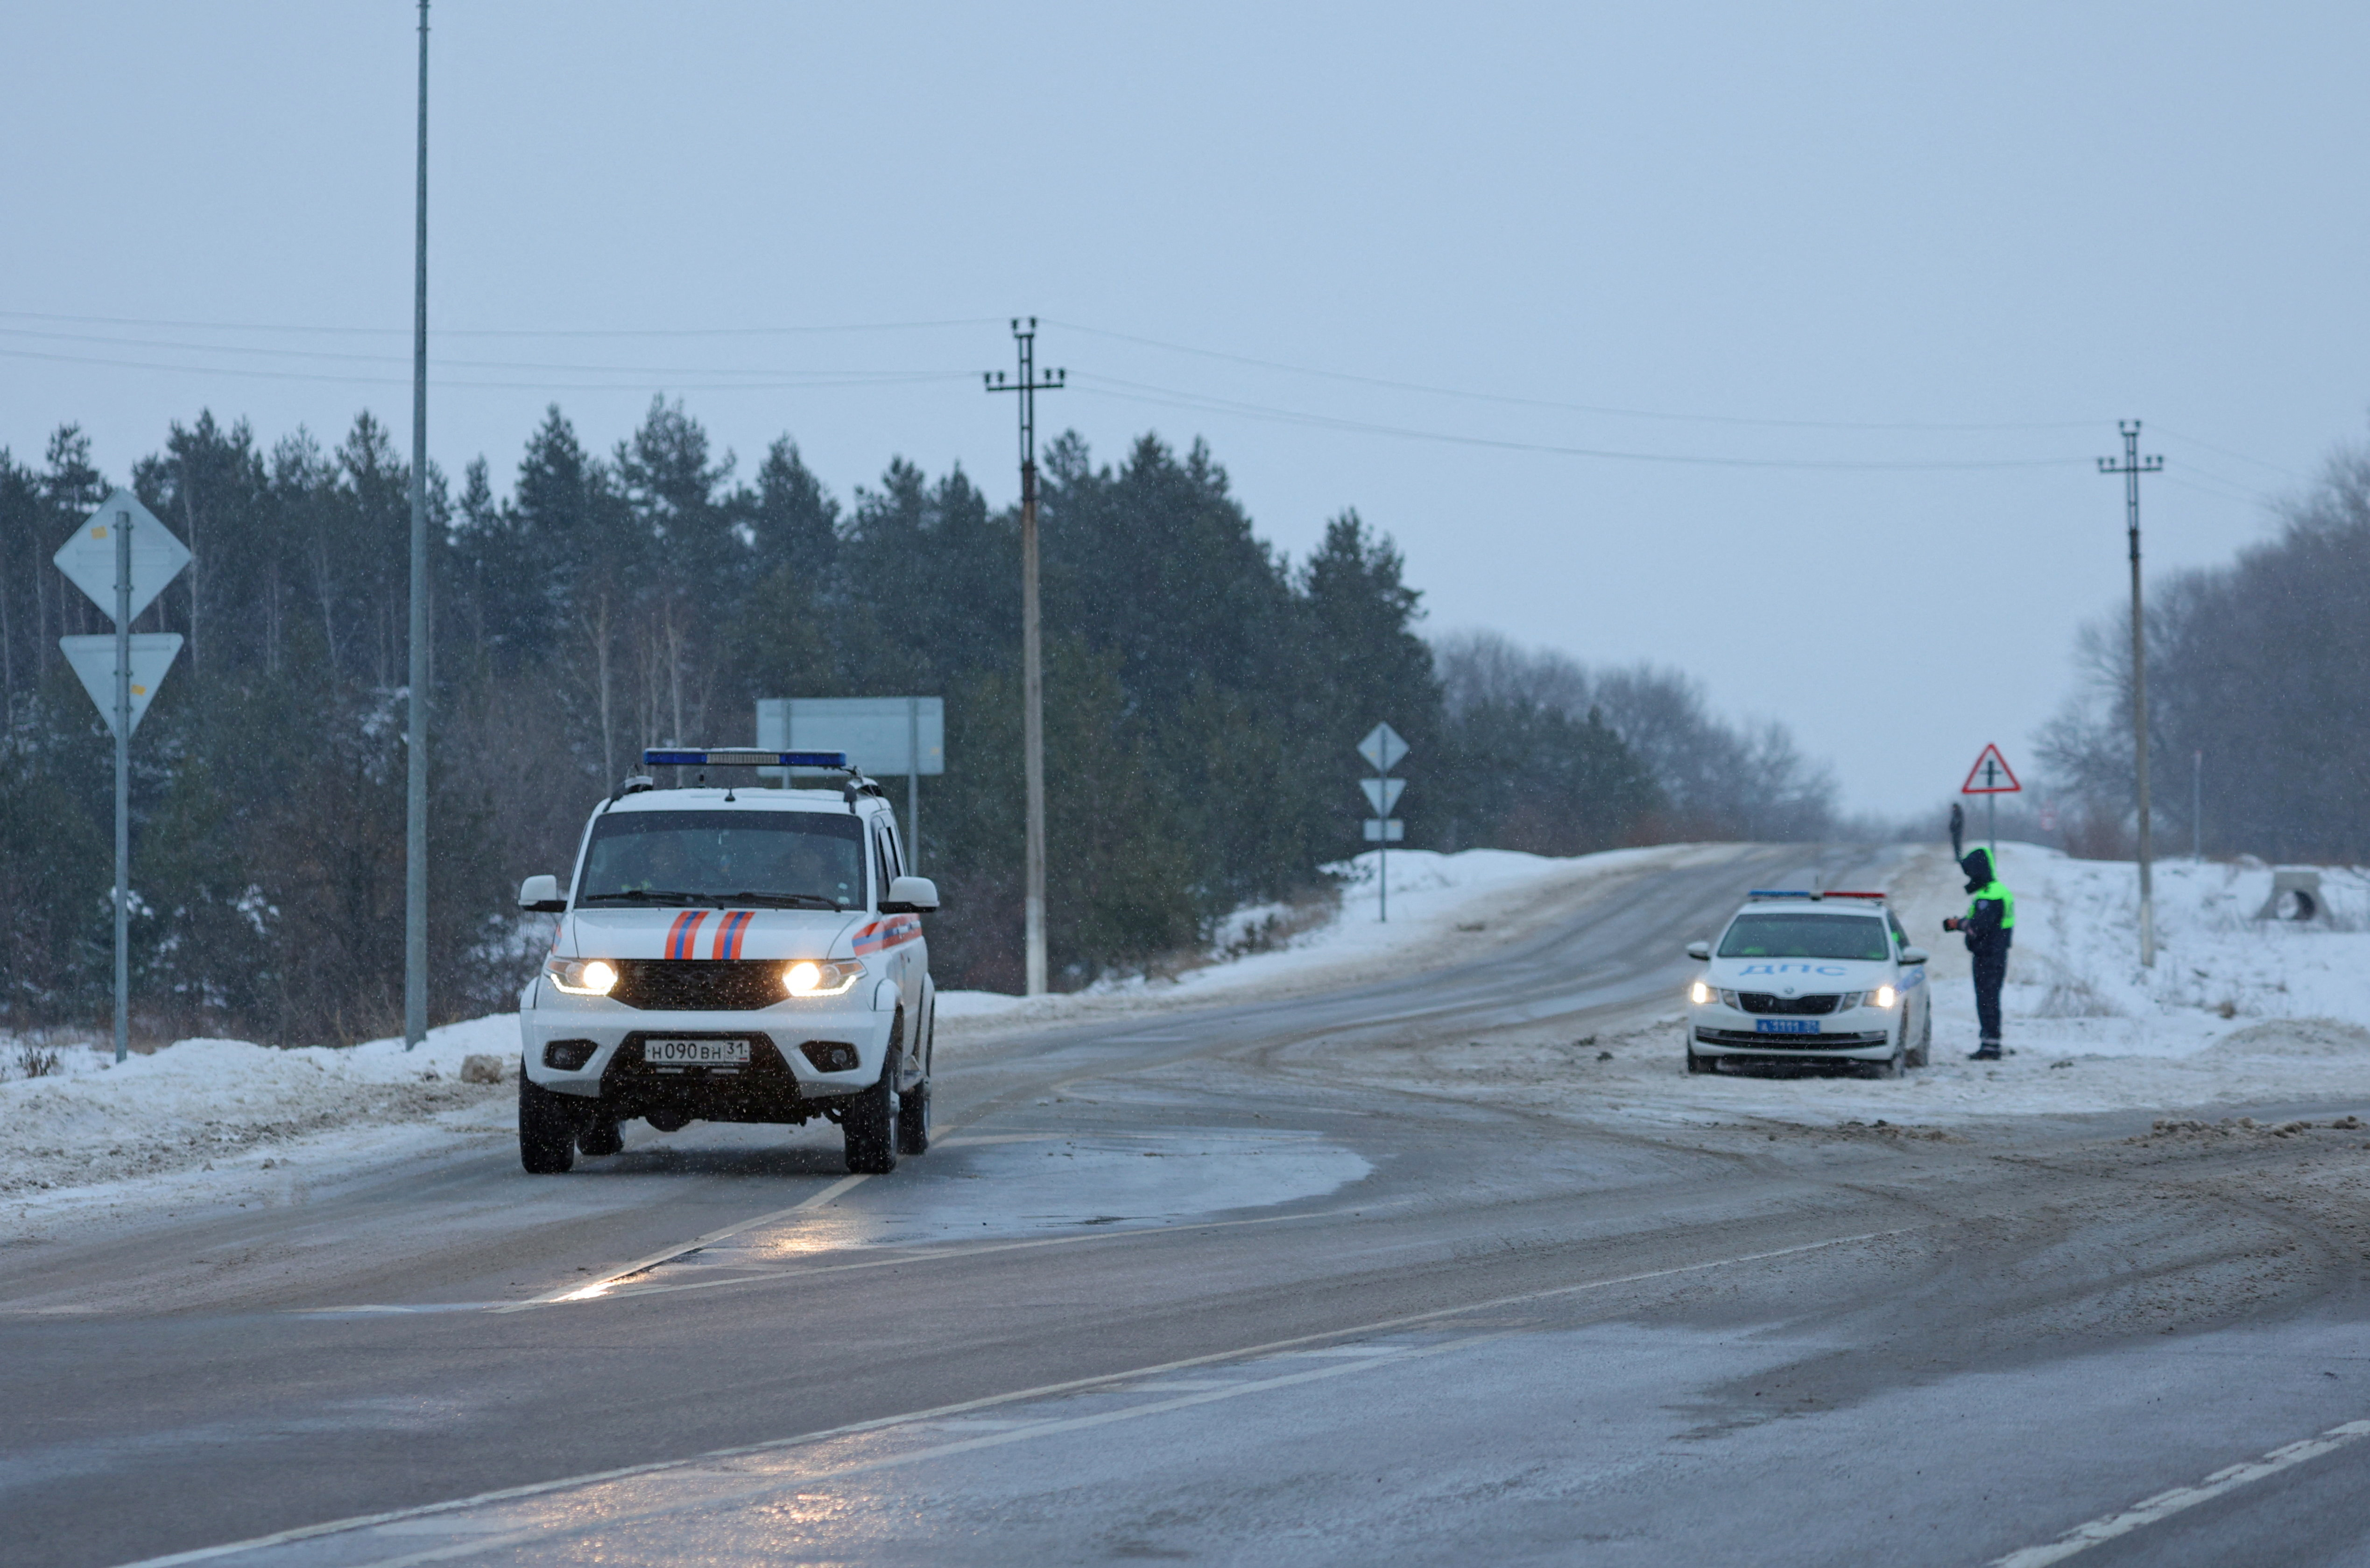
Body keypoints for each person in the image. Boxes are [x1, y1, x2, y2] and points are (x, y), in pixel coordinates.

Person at [1941, 847, 2014, 1060]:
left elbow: (1979, 927)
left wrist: (1957, 924)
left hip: (1989, 956)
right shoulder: (1996, 891)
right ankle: (1990, 1044)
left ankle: (1990, 1047)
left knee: (1987, 1000)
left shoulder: (1991, 896)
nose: (1970, 878)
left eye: (1972, 873)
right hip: (1993, 954)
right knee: (1989, 999)